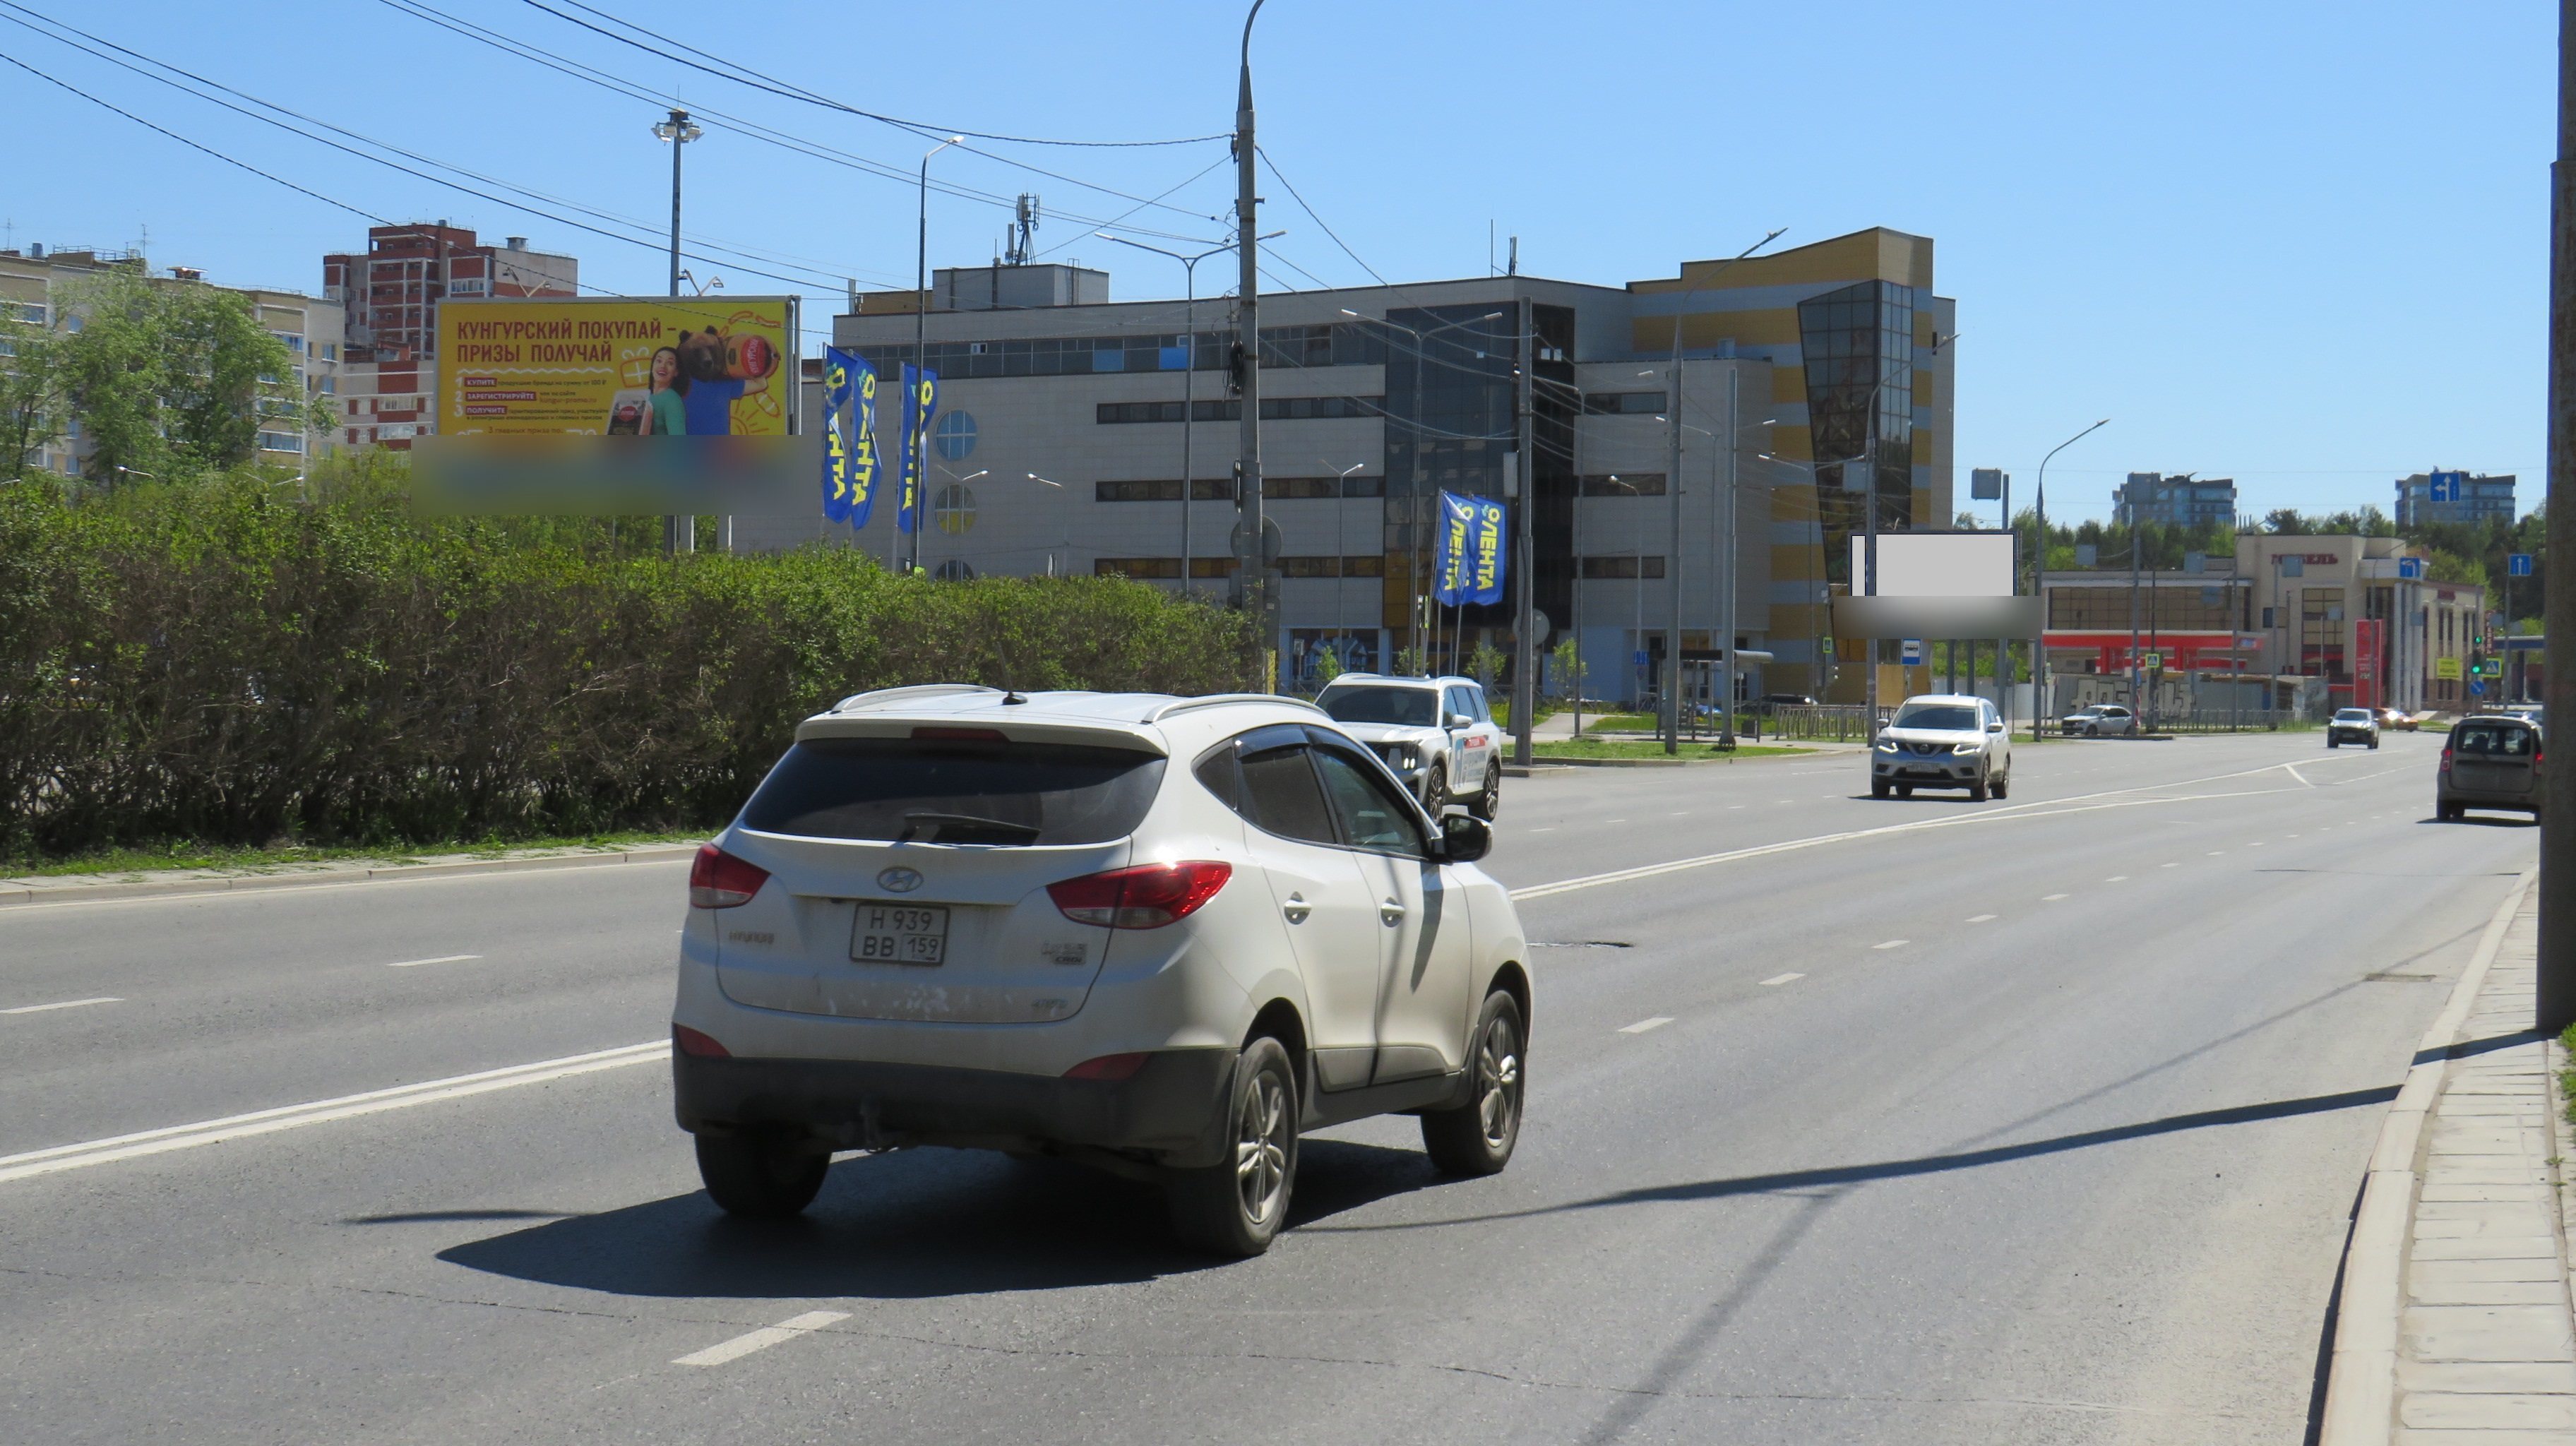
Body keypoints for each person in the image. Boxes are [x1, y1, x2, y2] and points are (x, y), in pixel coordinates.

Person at [644, 346, 688, 437]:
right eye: (659, 361)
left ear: (676, 372)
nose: (663, 366)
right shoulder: (644, 397)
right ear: (652, 366)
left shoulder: (672, 401)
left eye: (670, 363)